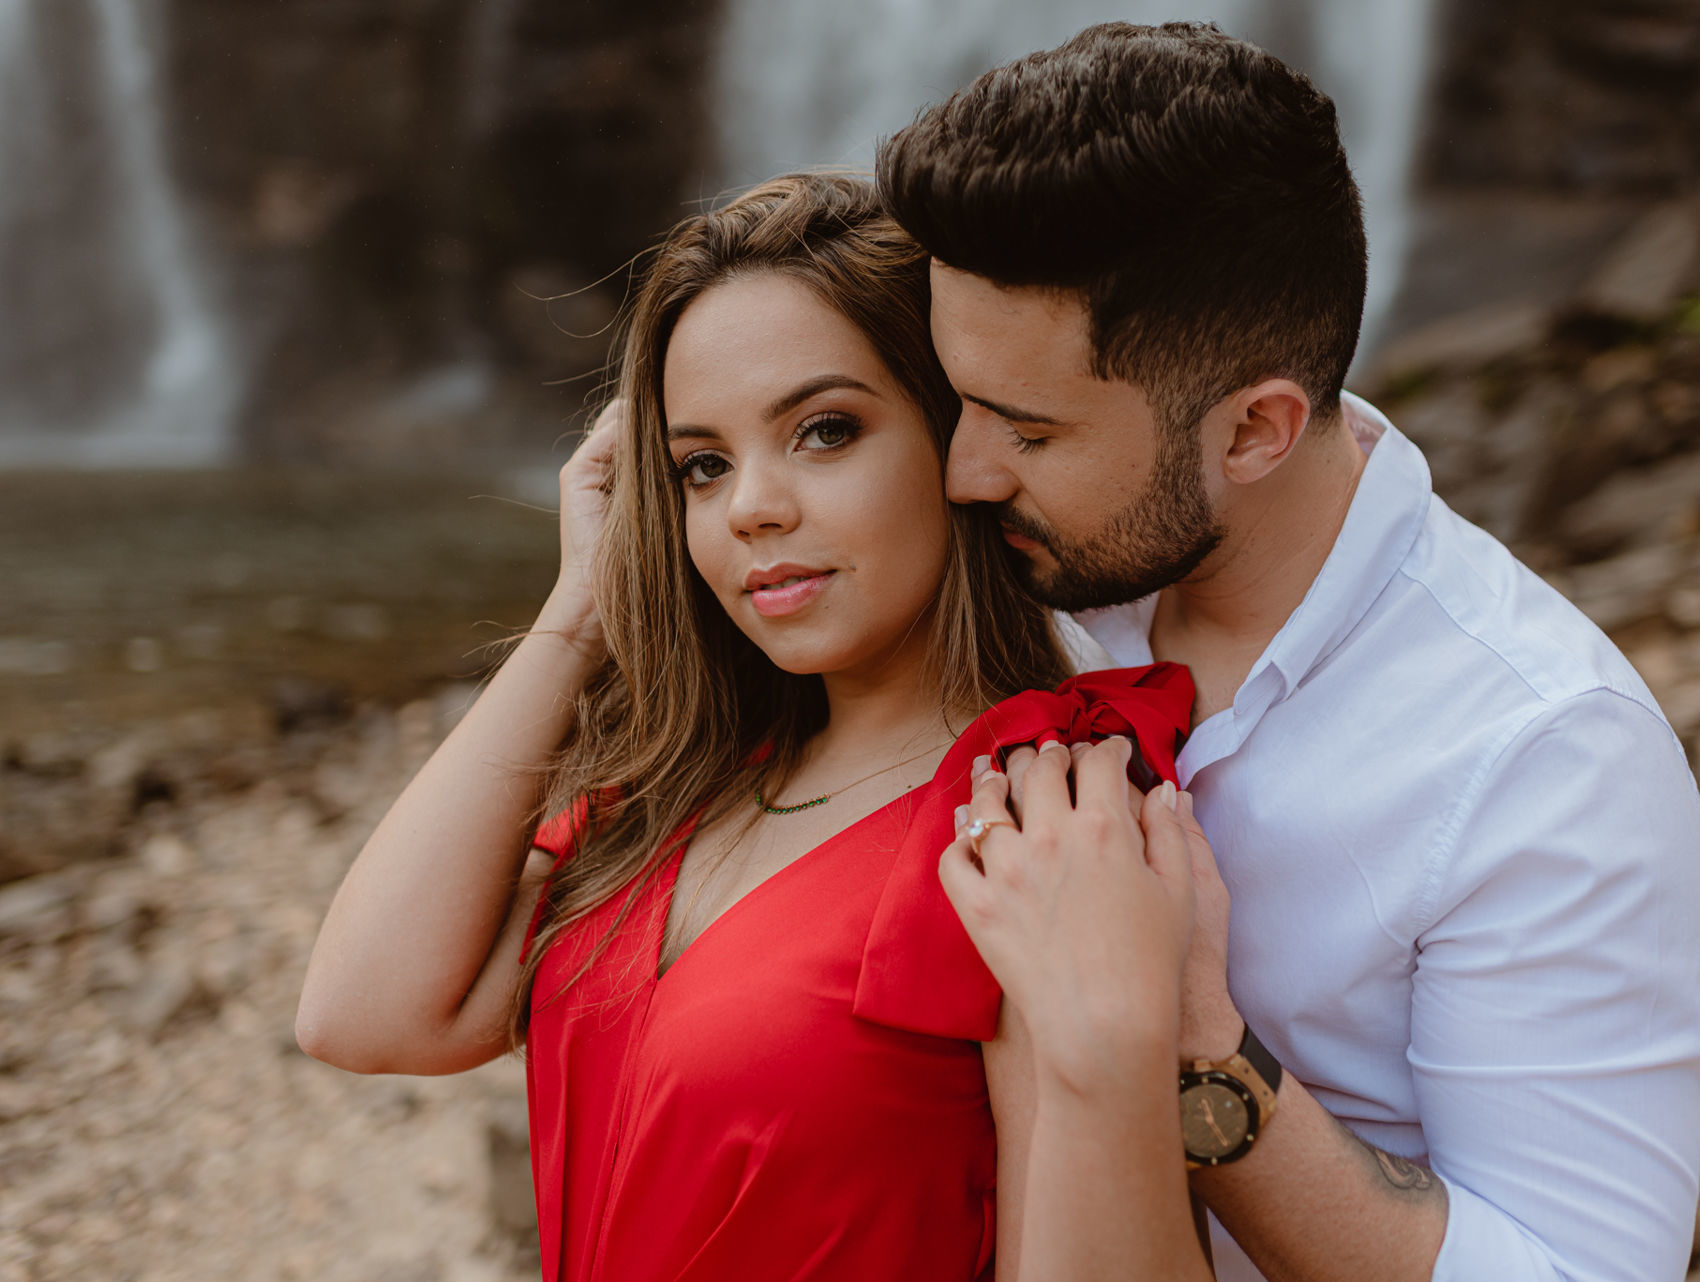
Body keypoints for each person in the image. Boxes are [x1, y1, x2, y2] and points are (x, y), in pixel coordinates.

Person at [879, 21, 1700, 1282]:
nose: (960, 469)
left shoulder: (1549, 757)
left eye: (1028, 429)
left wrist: (1193, 1044)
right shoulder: (1002, 576)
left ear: (1258, 430)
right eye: (959, 400)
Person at [294, 173, 1224, 1281]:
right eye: (701, 465)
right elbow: (364, 1011)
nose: (750, 508)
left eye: (825, 431)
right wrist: (581, 607)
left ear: (958, 442)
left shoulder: (1029, 818)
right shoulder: (679, 796)